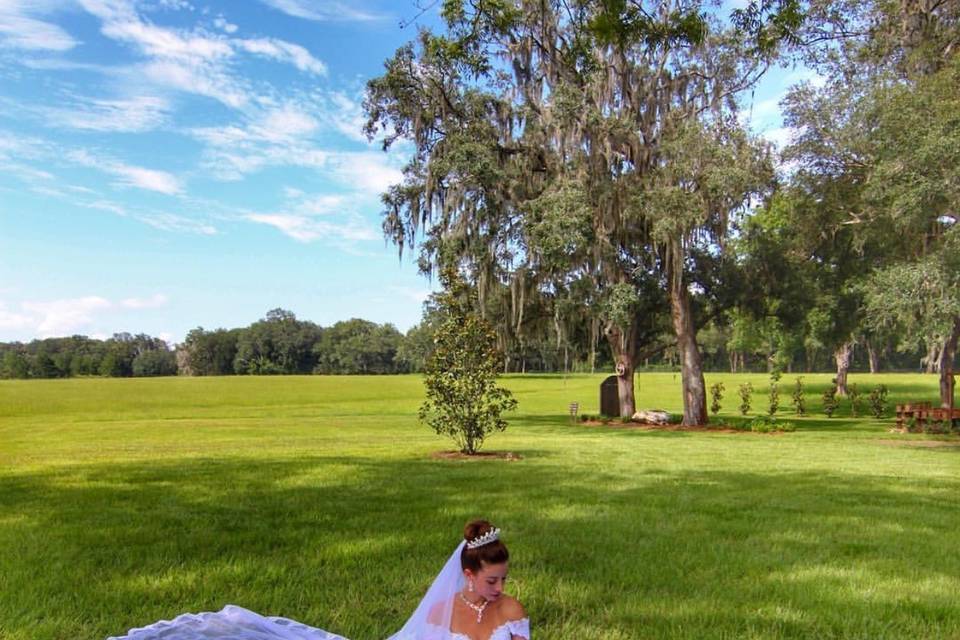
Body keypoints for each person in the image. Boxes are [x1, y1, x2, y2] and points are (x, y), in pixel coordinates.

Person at [109, 520, 529, 640]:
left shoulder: (510, 612)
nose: (500, 589)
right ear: (468, 574)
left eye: (503, 580)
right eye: (492, 581)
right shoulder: (441, 609)